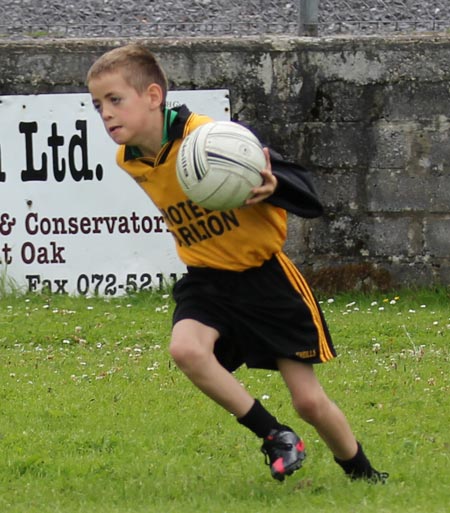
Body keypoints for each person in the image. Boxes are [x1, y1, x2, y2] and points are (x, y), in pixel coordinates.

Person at [87, 43, 388, 483]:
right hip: (208, 281)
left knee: (308, 401)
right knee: (186, 349)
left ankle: (363, 474)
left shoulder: (211, 137)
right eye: (98, 106)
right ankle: (274, 435)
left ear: (153, 96)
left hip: (266, 280)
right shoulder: (129, 159)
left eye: (115, 100)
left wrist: (273, 185)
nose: (106, 114)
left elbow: (304, 190)